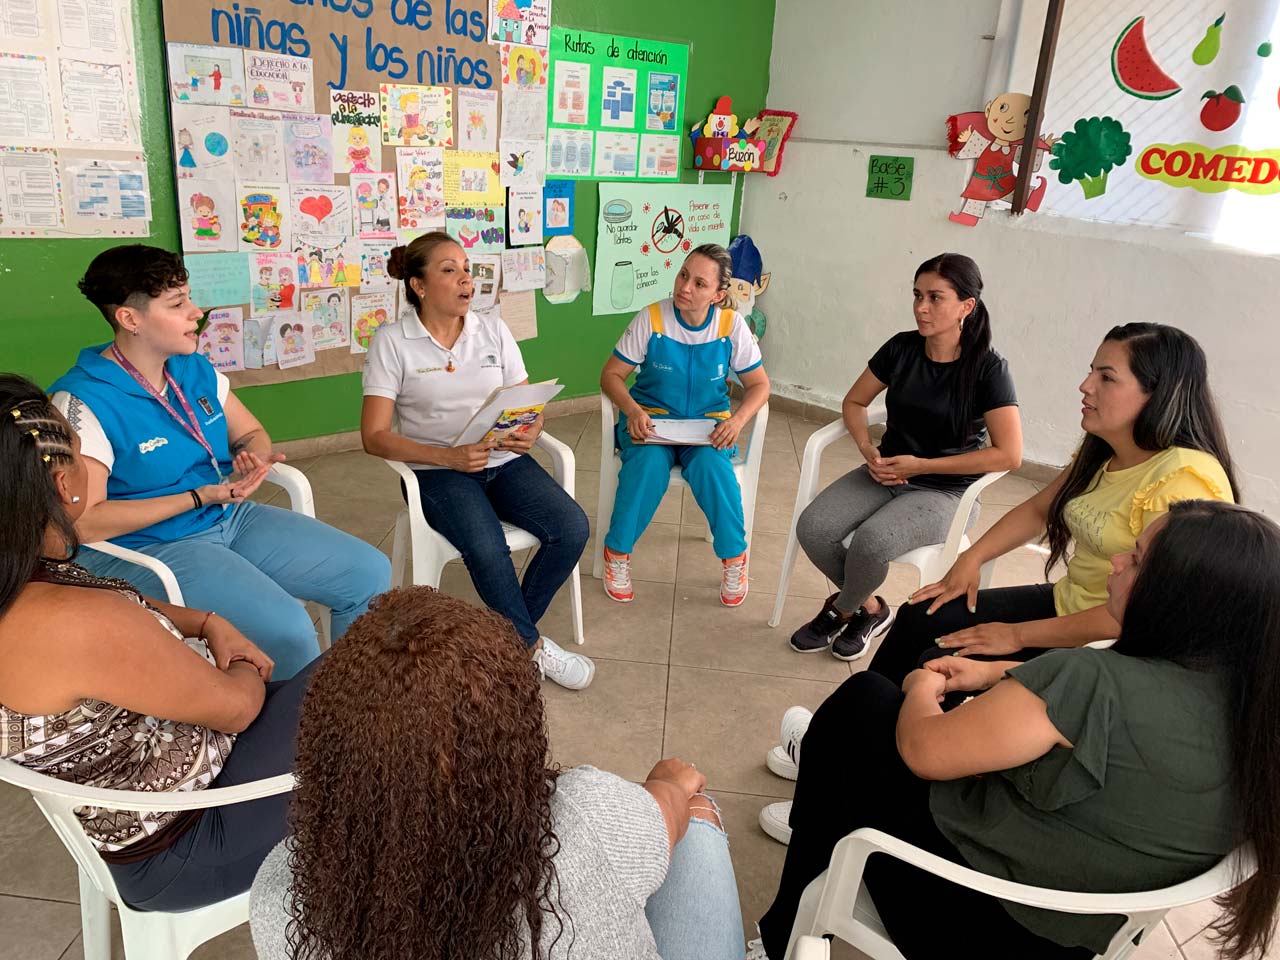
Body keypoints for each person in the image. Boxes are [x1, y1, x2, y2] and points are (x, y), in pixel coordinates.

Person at [749, 500, 1279, 960]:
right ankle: (817, 774)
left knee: (864, 705)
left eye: (1137, 560)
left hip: (973, 921)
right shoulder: (1254, 717)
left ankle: (782, 928)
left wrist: (919, 689)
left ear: (1184, 602)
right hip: (1070, 936)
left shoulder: (1092, 681)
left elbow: (923, 751)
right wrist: (997, 672)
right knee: (885, 712)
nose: (1118, 561)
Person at [249, 587, 745, 960]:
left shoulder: (278, 891)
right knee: (697, 813)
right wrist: (668, 783)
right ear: (515, 733)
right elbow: (669, 808)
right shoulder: (584, 814)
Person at [0, 375, 314, 911]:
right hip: (191, 841)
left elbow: (127, 604)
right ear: (62, 487)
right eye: (82, 456)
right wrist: (240, 662)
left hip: (154, 807)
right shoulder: (72, 622)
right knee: (398, 675)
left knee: (385, 674)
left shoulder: (27, 576)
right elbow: (238, 709)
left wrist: (208, 622)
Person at [49, 245, 390, 679]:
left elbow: (251, 433)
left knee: (367, 575)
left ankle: (353, 700)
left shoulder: (193, 368)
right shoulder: (82, 400)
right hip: (151, 545)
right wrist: (196, 497)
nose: (197, 312)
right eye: (178, 304)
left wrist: (254, 456)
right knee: (288, 629)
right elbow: (84, 522)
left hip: (225, 515)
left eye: (189, 297)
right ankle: (296, 736)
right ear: (130, 319)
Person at [866, 322, 1236, 687]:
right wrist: (971, 558)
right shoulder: (1105, 449)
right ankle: (865, 723)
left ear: (1158, 395)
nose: (1085, 386)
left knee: (940, 665)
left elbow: (1142, 616)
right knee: (919, 616)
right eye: (1091, 371)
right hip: (1068, 604)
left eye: (1106, 378)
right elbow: (1038, 510)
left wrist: (1017, 636)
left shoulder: (1186, 481)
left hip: (1115, 646)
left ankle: (910, 737)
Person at [360, 232, 594, 690]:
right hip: (435, 472)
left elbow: (529, 399)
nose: (466, 279)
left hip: (501, 459)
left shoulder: (493, 329)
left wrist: (532, 428)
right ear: (420, 286)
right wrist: (447, 456)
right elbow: (374, 437)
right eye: (449, 270)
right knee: (487, 547)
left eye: (467, 268)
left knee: (571, 527)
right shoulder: (392, 341)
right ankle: (530, 648)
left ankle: (505, 641)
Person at [788, 254, 1021, 663]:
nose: (921, 307)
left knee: (872, 542)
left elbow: (1009, 454)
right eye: (917, 295)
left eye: (935, 298)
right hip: (885, 471)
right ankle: (872, 609)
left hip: (947, 492)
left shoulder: (989, 368)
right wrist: (866, 448)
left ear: (966, 306)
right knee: (814, 527)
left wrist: (923, 465)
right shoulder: (901, 347)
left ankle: (841, 610)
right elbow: (855, 401)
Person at [599, 244, 771, 607]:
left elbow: (760, 385)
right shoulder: (652, 318)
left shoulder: (730, 326)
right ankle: (617, 554)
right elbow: (611, 375)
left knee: (714, 472)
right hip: (651, 424)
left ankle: (734, 560)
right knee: (646, 469)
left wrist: (738, 421)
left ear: (718, 295)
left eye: (699, 283)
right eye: (682, 275)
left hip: (707, 430)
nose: (685, 287)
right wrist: (631, 410)